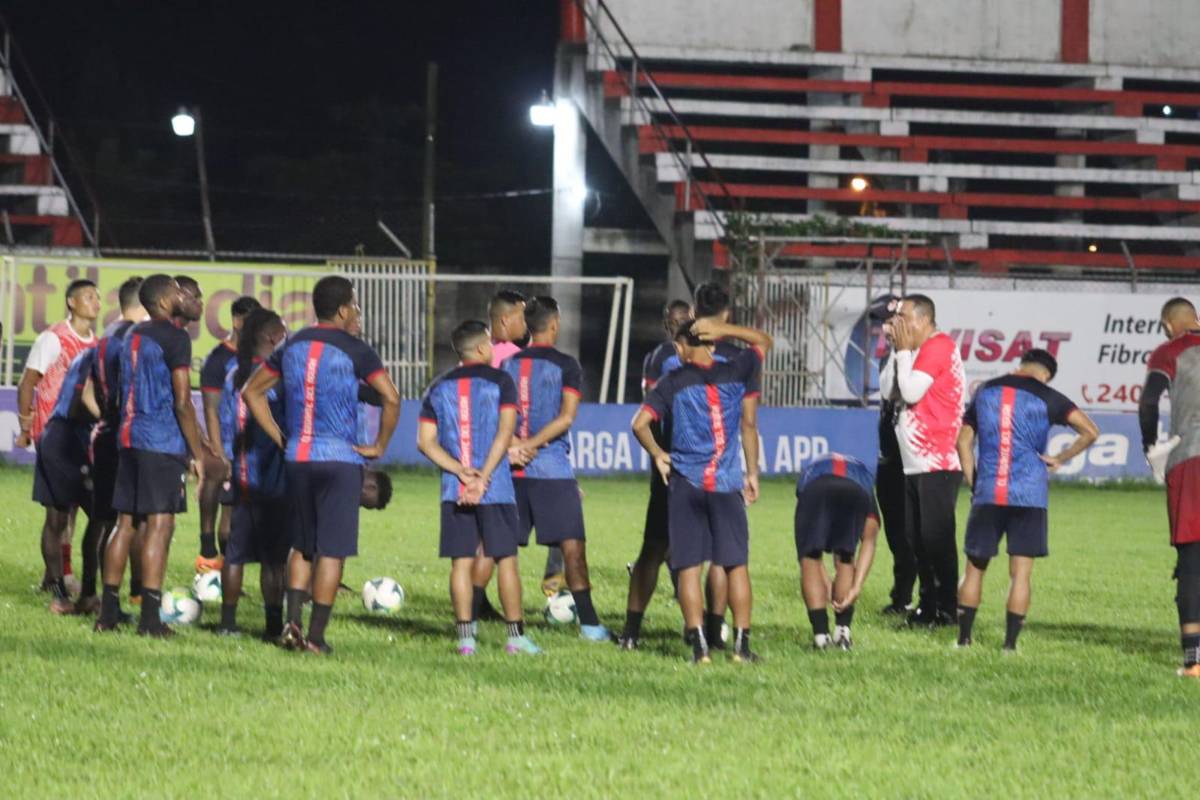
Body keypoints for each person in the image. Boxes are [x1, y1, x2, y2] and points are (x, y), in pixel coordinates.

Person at [242, 275, 400, 655]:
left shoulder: (291, 344)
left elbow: (252, 391)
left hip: (298, 457)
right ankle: (315, 637)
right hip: (339, 459)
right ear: (344, 309)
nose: (358, 315)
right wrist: (379, 444)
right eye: (357, 307)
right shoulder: (356, 348)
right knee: (332, 550)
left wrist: (282, 436)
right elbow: (391, 397)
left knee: (302, 546)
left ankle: (291, 622)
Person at [631, 318, 770, 664]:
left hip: (686, 484)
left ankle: (700, 650)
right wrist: (728, 331)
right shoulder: (736, 370)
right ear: (710, 342)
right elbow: (764, 341)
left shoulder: (672, 381)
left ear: (680, 348)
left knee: (689, 567)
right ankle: (741, 647)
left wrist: (659, 454)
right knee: (735, 565)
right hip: (725, 485)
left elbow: (639, 424)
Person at [956, 349, 1098, 651]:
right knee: (1020, 574)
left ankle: (963, 640)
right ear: (1045, 374)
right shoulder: (1049, 396)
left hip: (989, 491)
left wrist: (973, 480)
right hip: (1030, 494)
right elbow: (1090, 431)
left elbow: (963, 440)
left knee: (974, 568)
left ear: (1020, 366)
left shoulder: (985, 390)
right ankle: (1009, 646)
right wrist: (1060, 458)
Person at [95, 274, 213, 636]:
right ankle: (149, 619)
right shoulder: (175, 338)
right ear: (164, 301)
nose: (184, 295)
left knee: (125, 523)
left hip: (129, 439)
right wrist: (198, 453)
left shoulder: (132, 335)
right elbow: (182, 402)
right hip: (160, 442)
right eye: (178, 292)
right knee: (160, 527)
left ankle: (108, 613)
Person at [418, 319, 540, 656]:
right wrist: (484, 475)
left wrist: (460, 471)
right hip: (496, 487)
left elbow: (425, 443)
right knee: (506, 561)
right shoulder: (502, 381)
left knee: (460, 564)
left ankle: (466, 640)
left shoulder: (437, 387)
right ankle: (515, 638)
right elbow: (505, 433)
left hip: (453, 488)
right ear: (484, 347)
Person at [502, 297, 611, 641]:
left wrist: (511, 447)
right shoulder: (567, 365)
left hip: (512, 470)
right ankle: (591, 625)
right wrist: (532, 445)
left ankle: (468, 624)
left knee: (494, 550)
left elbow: (494, 415)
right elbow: (566, 417)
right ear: (554, 324)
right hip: (551, 469)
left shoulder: (508, 365)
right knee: (573, 547)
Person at [879, 294, 965, 627]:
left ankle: (946, 609)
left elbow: (911, 392)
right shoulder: (913, 350)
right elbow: (890, 390)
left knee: (936, 539)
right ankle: (928, 606)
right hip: (914, 462)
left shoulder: (939, 346)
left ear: (923, 319)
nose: (898, 324)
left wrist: (902, 352)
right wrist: (895, 350)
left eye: (904, 318)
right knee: (917, 539)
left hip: (938, 462)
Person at [17, 278, 100, 594]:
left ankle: (61, 573)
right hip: (55, 435)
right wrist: (26, 428)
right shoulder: (53, 338)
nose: (95, 302)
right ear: (71, 302)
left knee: (74, 508)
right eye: (89, 296)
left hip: (84, 437)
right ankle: (55, 580)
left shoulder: (95, 344)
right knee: (57, 512)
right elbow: (27, 384)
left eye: (97, 297)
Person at [619, 299, 692, 647]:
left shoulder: (658, 357)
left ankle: (633, 633)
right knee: (682, 548)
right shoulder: (674, 358)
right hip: (679, 460)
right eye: (679, 320)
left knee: (663, 546)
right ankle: (705, 629)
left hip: (668, 459)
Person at [213, 308, 289, 637]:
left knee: (235, 555)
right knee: (274, 559)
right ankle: (273, 624)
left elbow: (228, 423)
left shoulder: (233, 375)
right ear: (273, 338)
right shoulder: (278, 377)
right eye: (283, 334)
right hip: (271, 479)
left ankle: (228, 624)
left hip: (241, 478)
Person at [1138, 297, 1200, 676]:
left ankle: (1194, 660)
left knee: (1192, 558)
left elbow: (1148, 402)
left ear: (1167, 323)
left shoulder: (1170, 349)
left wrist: (1150, 447)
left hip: (1190, 457)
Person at [89, 277, 146, 615]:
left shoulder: (106, 335)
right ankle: (135, 593)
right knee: (134, 522)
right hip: (129, 436)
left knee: (106, 520)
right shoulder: (132, 338)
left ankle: (99, 595)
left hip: (106, 431)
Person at [196, 295, 261, 573]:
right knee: (222, 496)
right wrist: (218, 450)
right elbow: (211, 408)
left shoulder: (260, 358)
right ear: (236, 321)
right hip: (225, 441)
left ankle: (228, 565)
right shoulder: (218, 359)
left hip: (252, 445)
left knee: (239, 510)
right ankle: (210, 551)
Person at [32, 347, 99, 614]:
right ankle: (59, 595)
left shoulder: (98, 352)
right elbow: (82, 399)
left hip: (78, 439)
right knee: (58, 518)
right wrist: (109, 418)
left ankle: (89, 593)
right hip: (63, 439)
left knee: (99, 517)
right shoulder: (101, 355)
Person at [794, 453, 880, 650]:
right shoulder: (867, 488)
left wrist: (821, 575)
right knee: (846, 556)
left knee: (810, 558)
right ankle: (843, 634)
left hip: (816, 487)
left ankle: (821, 637)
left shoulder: (811, 471)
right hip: (855, 490)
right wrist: (856, 586)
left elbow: (805, 550)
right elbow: (869, 540)